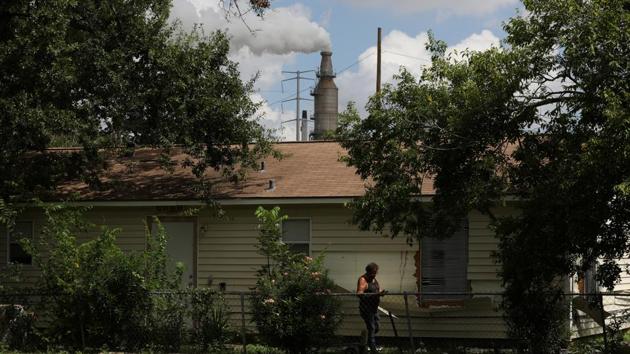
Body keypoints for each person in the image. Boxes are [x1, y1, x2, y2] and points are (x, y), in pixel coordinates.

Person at [357, 262, 385, 353]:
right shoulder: (363, 279)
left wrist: (381, 292)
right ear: (368, 272)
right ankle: (373, 349)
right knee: (372, 327)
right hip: (366, 309)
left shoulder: (374, 279)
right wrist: (375, 294)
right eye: (373, 273)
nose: (374, 274)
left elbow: (377, 289)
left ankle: (364, 341)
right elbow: (359, 293)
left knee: (377, 327)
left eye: (375, 273)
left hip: (374, 308)